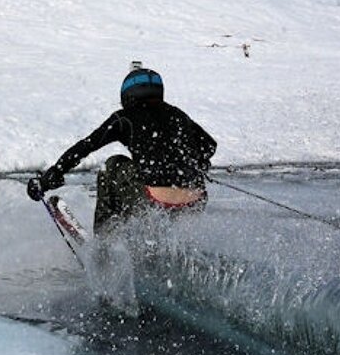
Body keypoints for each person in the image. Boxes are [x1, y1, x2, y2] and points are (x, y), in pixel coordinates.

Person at [27, 65, 217, 234]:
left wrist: (53, 174)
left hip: (151, 199)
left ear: (127, 94)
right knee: (141, 178)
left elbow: (87, 145)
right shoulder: (177, 114)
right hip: (194, 201)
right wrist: (194, 165)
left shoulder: (125, 118)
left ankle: (105, 241)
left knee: (112, 166)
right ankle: (153, 244)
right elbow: (209, 146)